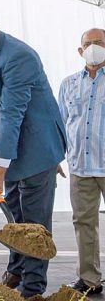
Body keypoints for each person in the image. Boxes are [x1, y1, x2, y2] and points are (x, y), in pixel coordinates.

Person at [0, 11, 66, 299]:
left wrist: (0, 170)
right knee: (15, 218)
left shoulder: (20, 57)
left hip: (37, 147)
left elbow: (10, 113)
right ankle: (16, 271)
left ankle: (32, 290)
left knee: (33, 225)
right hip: (11, 145)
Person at [58, 28, 105, 296]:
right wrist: (57, 157)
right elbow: (61, 124)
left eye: (99, 43)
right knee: (84, 223)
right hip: (80, 167)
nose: (93, 47)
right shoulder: (69, 84)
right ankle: (89, 279)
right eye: (88, 43)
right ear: (80, 50)